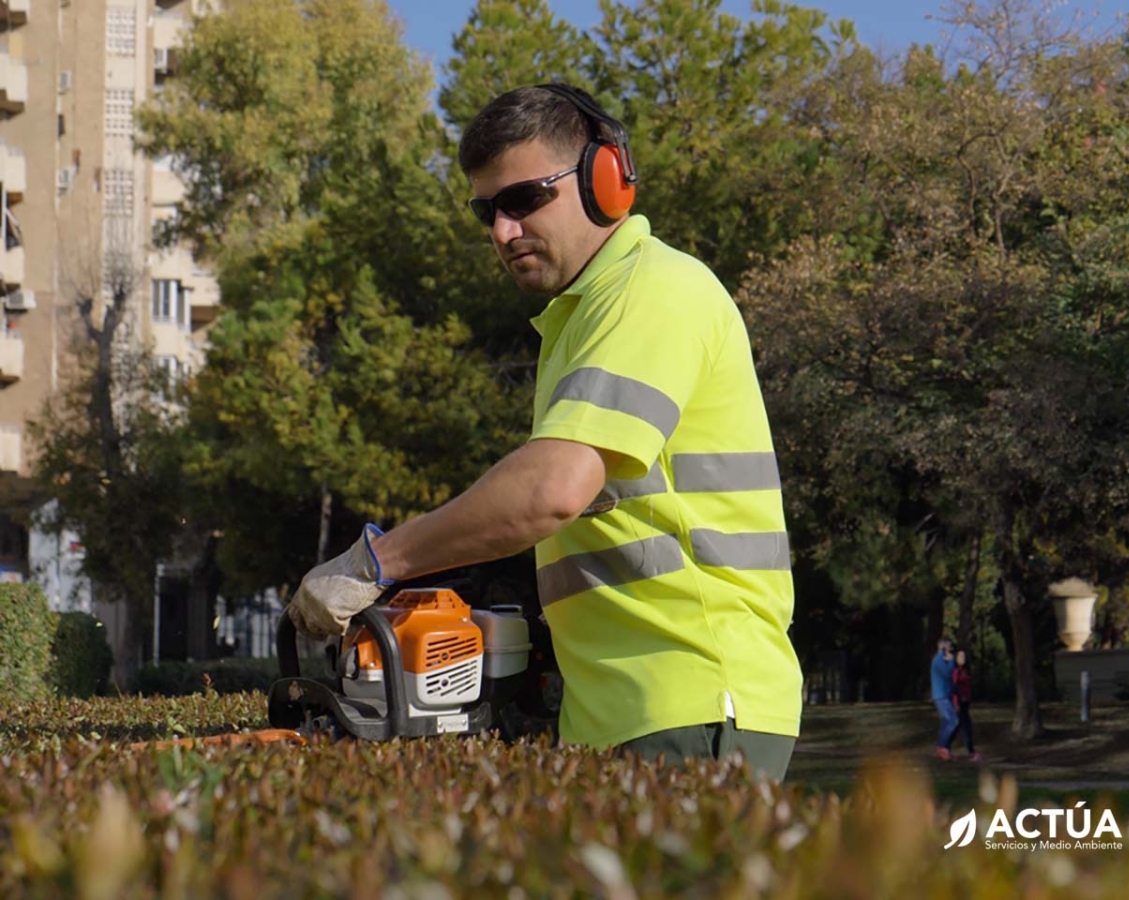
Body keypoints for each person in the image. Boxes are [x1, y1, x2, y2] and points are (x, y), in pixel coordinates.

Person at [285, 83, 803, 782]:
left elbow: (551, 492)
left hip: (691, 698)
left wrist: (376, 563)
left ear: (606, 181)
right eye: (487, 211)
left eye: (524, 199)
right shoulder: (577, 321)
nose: (502, 230)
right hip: (625, 712)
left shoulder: (653, 292)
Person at [951, 649, 982, 762]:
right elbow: (953, 686)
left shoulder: (964, 671)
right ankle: (971, 753)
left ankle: (945, 749)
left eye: (964, 656)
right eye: (960, 656)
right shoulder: (956, 671)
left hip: (965, 703)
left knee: (960, 727)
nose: (962, 658)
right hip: (958, 704)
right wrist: (960, 697)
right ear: (956, 658)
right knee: (965, 728)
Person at [930, 638, 958, 761]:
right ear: (942, 647)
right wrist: (951, 662)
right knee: (953, 720)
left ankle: (944, 748)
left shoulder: (941, 660)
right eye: (948, 647)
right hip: (941, 696)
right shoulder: (938, 660)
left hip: (945, 696)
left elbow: (949, 680)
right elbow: (948, 674)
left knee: (946, 722)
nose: (950, 649)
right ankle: (942, 748)